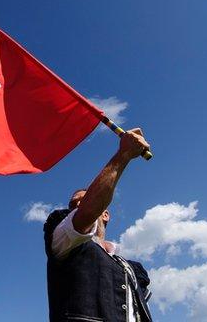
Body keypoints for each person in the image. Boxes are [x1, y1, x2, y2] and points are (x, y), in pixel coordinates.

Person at [44, 128, 153, 322]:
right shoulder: (63, 238)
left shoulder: (132, 268)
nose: (77, 205)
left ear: (106, 214)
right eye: (73, 204)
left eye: (83, 200)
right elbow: (87, 212)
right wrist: (123, 155)